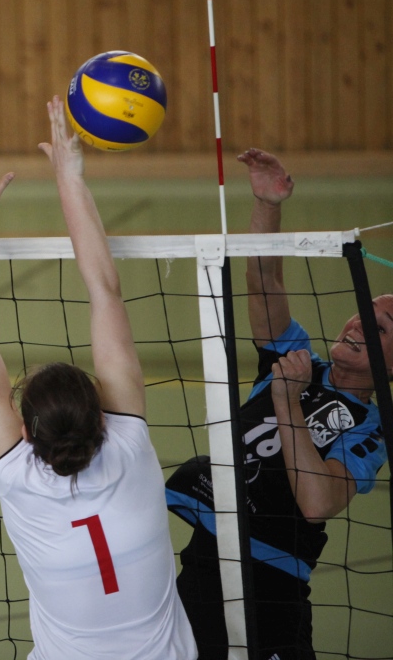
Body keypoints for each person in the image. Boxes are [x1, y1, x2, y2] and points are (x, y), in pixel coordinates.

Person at [0, 99, 196, 659]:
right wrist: (70, 177)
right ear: (102, 415)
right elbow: (104, 289)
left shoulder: (25, 474)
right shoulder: (127, 444)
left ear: (26, 432)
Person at [166, 148, 390, 660]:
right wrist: (267, 204)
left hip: (271, 584)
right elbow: (264, 282)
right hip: (206, 560)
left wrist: (288, 403)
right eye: (361, 312)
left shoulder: (370, 428)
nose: (358, 322)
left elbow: (317, 504)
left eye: (378, 327)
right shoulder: (295, 356)